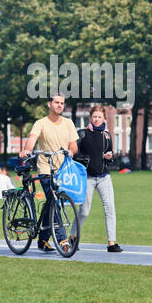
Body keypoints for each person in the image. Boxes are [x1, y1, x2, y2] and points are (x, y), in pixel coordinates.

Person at [19, 93, 79, 253]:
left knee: (51, 204)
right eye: (57, 102)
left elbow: (74, 145)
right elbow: (32, 138)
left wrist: (71, 152)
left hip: (63, 170)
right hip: (46, 168)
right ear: (49, 104)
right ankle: (63, 240)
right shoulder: (41, 123)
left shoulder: (68, 123)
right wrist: (27, 150)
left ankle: (43, 240)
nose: (60, 105)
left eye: (62, 103)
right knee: (55, 203)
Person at [71, 105, 123, 252]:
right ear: (90, 118)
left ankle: (111, 243)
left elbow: (109, 154)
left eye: (100, 117)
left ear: (104, 119)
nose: (97, 119)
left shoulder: (107, 135)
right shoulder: (81, 134)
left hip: (104, 177)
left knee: (110, 209)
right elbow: (75, 154)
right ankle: (73, 237)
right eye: (94, 116)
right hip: (87, 177)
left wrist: (109, 157)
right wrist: (85, 159)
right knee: (84, 211)